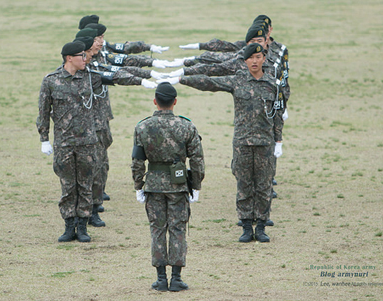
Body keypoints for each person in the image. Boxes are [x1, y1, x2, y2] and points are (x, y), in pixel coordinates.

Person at [160, 43, 283, 243]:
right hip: (242, 142)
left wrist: (278, 139)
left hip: (265, 143)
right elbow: (210, 83)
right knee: (244, 184)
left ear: (264, 59)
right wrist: (181, 79)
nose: (254, 61)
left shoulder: (272, 84)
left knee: (263, 185)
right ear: (245, 61)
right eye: (250, 58)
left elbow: (278, 114)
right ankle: (245, 225)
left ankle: (260, 226)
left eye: (258, 57)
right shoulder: (237, 81)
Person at [37, 40, 157, 243]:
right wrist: (44, 139)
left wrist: (146, 79)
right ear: (69, 58)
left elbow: (117, 76)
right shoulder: (51, 80)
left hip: (87, 142)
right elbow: (43, 112)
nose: (86, 59)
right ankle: (69, 226)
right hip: (64, 143)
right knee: (67, 186)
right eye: (81, 56)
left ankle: (82, 226)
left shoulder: (92, 77)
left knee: (85, 185)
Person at [131, 82, 205, 291]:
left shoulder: (143, 126)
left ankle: (161, 278)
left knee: (157, 230)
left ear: (155, 101)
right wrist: (196, 185)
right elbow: (197, 159)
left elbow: (137, 161)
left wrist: (138, 185)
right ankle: (176, 278)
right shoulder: (187, 126)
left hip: (153, 186)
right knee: (178, 229)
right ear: (175, 102)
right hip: (178, 185)